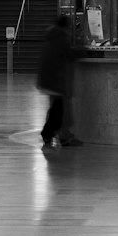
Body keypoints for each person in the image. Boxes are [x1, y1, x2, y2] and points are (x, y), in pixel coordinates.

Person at [36, 14, 82, 147]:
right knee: (59, 111)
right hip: (55, 80)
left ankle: (54, 135)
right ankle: (52, 134)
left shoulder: (51, 36)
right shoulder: (62, 38)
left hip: (47, 79)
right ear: (66, 26)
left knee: (56, 109)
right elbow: (71, 55)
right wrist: (82, 50)